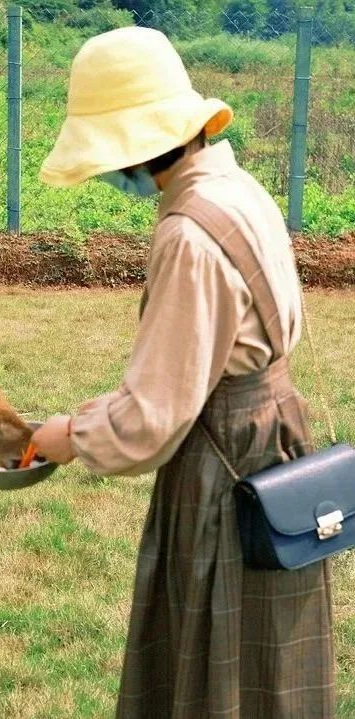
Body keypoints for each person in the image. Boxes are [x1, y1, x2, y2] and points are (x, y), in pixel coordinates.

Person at [32, 26, 335, 719]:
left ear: (134, 148)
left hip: (224, 459)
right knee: (269, 653)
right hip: (274, 437)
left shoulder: (186, 235)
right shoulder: (235, 186)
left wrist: (69, 434)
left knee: (209, 657)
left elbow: (152, 416)